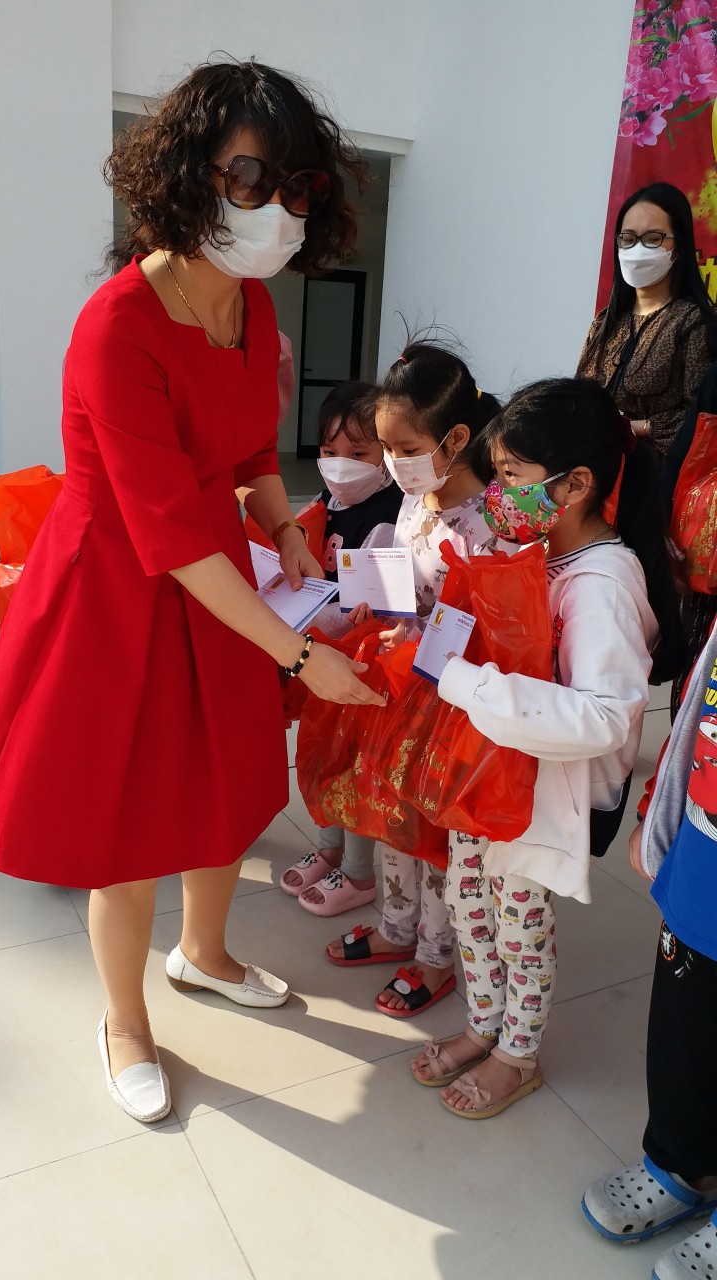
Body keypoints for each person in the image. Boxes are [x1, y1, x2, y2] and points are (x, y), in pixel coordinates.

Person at [0, 59, 384, 1125]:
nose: (274, 207)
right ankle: (124, 1019)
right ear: (185, 175)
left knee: (224, 785)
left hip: (217, 570)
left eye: (296, 186)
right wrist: (299, 653)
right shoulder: (118, 324)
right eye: (249, 178)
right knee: (126, 825)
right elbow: (162, 533)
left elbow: (252, 448)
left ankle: (203, 954)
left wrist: (284, 529)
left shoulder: (251, 304)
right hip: (118, 587)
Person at [409, 377, 684, 1117]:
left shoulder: (602, 582)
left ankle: (517, 1053)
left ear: (576, 484)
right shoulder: (534, 550)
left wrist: (463, 680)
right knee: (469, 905)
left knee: (518, 927)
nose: (497, 493)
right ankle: (481, 1022)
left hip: (542, 799)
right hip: (491, 776)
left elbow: (605, 717)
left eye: (510, 476)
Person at [324, 342, 503, 1017]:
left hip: (455, 706)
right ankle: (398, 927)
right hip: (404, 690)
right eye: (387, 449)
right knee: (395, 814)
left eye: (406, 448)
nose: (395, 463)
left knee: (437, 836)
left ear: (455, 439)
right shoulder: (414, 500)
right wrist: (381, 610)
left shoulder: (492, 521)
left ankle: (435, 955)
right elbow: (407, 586)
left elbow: (491, 626)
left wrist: (425, 637)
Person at [581, 615, 717, 1280]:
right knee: (685, 1022)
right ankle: (681, 1159)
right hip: (706, 839)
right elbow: (698, 695)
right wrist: (656, 809)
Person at [280, 380, 402, 916]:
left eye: (358, 454)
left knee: (357, 766)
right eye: (329, 452)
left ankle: (357, 873)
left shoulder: (393, 515)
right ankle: (329, 850)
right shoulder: (325, 503)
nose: (339, 466)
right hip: (320, 655)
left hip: (363, 664)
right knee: (321, 755)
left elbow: (381, 605)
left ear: (386, 455)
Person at [577, 182, 717, 458]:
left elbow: (703, 420)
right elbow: (577, 396)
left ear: (679, 246)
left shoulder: (695, 323)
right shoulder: (604, 323)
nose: (637, 250)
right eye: (628, 239)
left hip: (656, 473)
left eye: (653, 239)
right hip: (593, 468)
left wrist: (637, 428)